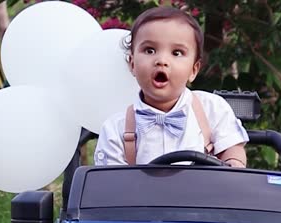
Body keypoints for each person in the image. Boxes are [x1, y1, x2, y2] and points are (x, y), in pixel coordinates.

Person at [94, 6, 249, 167]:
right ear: (132, 64)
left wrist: (233, 162)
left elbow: (232, 149)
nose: (162, 60)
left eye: (176, 53)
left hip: (203, 191)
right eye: (150, 50)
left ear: (193, 70)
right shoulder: (116, 129)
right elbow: (110, 185)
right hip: (141, 192)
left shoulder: (212, 109)